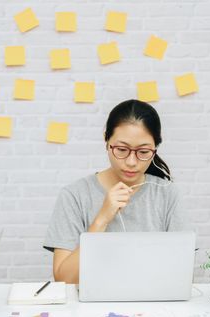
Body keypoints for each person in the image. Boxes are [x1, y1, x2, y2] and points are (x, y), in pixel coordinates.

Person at [43, 99, 190, 284]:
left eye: (143, 152)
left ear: (155, 149)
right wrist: (102, 219)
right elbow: (64, 280)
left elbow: (182, 274)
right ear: (106, 140)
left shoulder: (168, 194)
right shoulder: (74, 195)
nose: (131, 162)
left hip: (153, 305)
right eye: (121, 149)